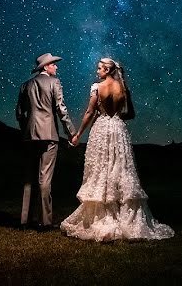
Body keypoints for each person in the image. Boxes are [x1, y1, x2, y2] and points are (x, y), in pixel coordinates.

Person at [60, 58, 174, 241]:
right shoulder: (123, 88)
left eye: (99, 68)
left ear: (106, 70)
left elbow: (89, 113)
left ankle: (103, 215)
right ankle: (124, 217)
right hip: (118, 129)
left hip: (102, 129)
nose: (97, 71)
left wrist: (78, 134)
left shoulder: (97, 87)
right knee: (120, 168)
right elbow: (131, 114)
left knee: (101, 169)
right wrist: (116, 116)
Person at [15, 53, 77, 230]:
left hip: (29, 135)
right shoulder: (54, 83)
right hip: (49, 134)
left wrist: (25, 130)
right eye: (53, 64)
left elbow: (19, 113)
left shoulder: (25, 85)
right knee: (45, 177)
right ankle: (45, 222)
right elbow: (61, 109)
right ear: (45, 67)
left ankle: (24, 221)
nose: (56, 67)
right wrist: (71, 132)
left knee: (29, 178)